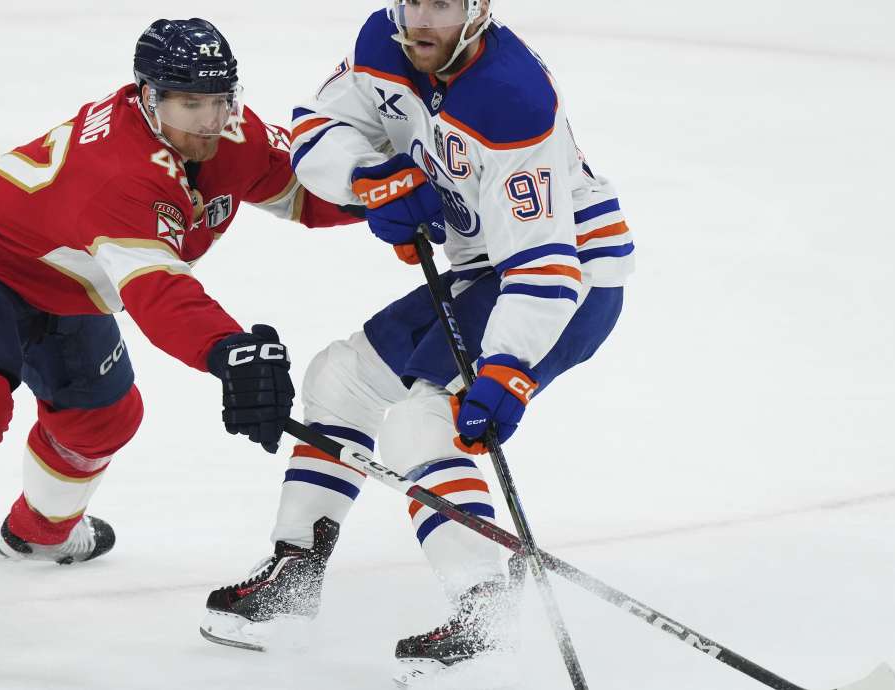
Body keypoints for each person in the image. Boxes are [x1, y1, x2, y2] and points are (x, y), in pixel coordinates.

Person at [0, 18, 357, 643]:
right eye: (187, 103)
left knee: (105, 417)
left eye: (219, 100)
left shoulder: (233, 133)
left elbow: (308, 192)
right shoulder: (118, 174)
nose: (207, 120)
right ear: (147, 97)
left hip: (61, 274)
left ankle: (39, 535)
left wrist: (404, 196)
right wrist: (228, 351)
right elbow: (157, 292)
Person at [201, 0, 634, 682]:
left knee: (422, 421)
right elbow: (317, 127)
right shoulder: (383, 41)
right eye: (413, 1)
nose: (422, 20)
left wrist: (508, 366)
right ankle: (294, 577)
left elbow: (543, 262)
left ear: (479, 9)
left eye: (443, 3)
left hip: (567, 279)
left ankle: (484, 617)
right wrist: (369, 179)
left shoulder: (511, 98)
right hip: (481, 268)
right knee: (339, 379)